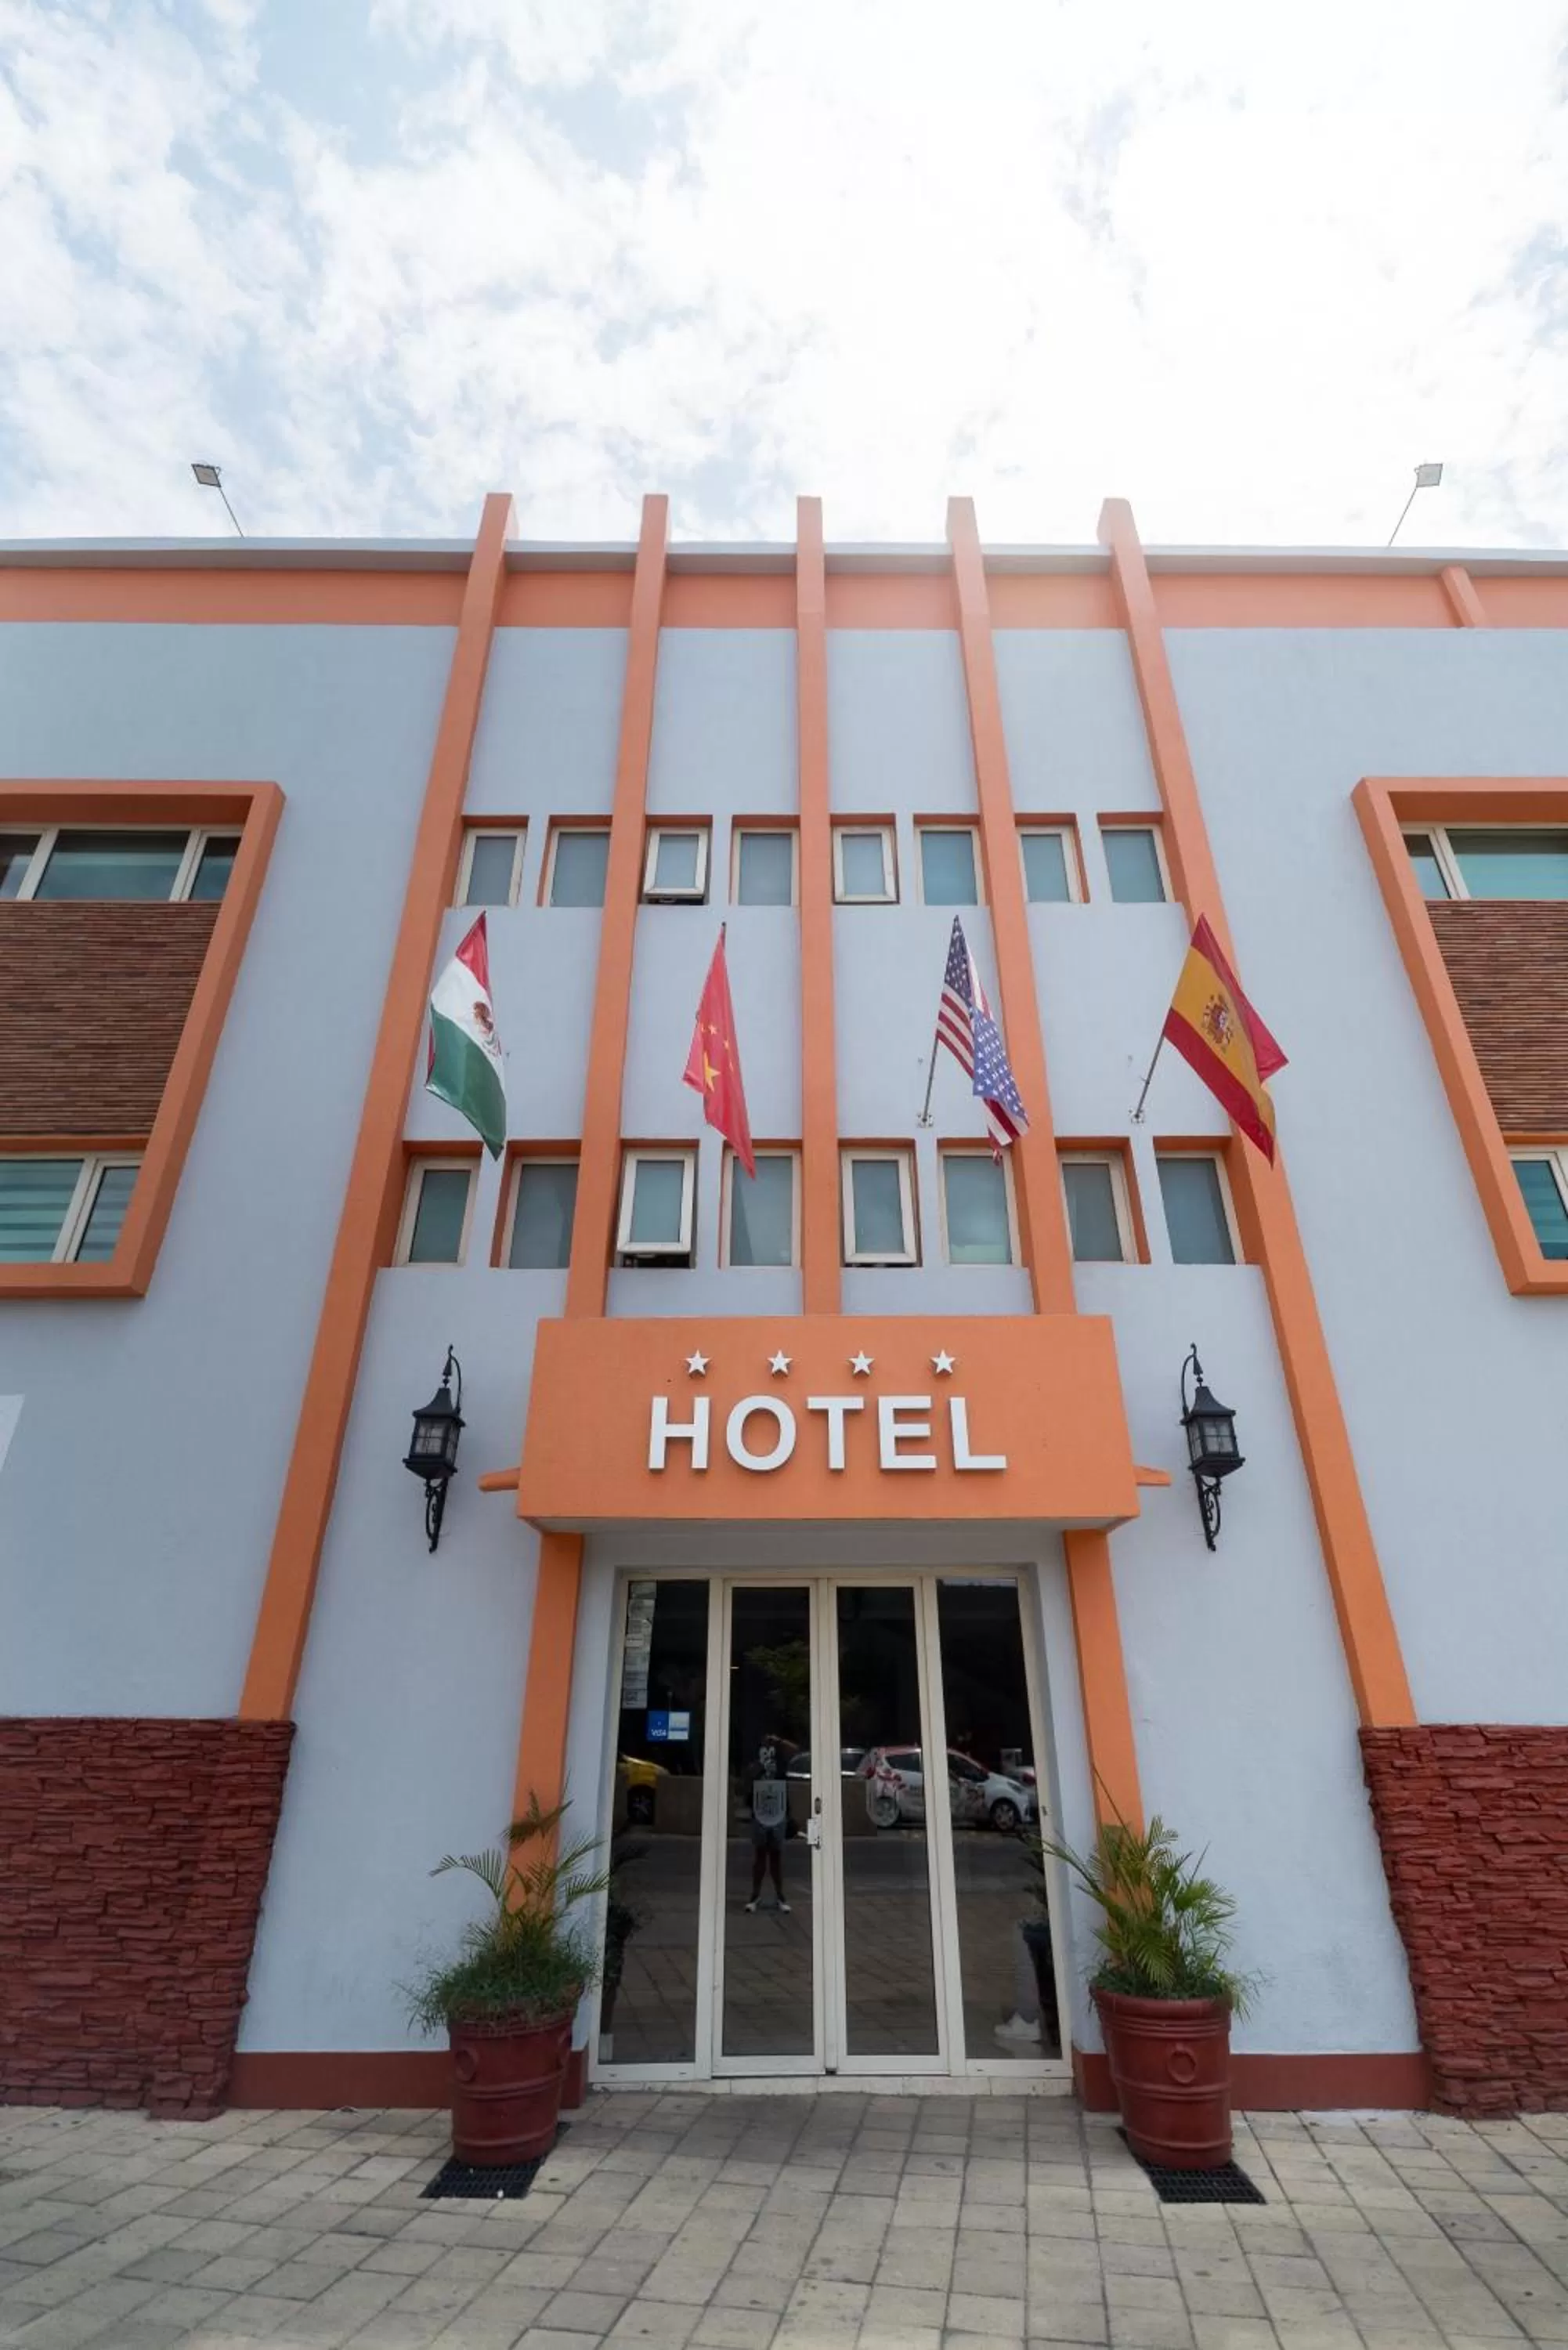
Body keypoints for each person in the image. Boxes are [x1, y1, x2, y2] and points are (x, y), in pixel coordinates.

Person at [745, 1730, 796, 1913]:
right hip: (760, 1806)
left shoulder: (780, 1751)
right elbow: (748, 1773)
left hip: (778, 1806)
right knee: (760, 1855)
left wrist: (778, 1740)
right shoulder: (753, 1750)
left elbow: (794, 1750)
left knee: (776, 1855)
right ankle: (755, 1894)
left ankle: (780, 1895)